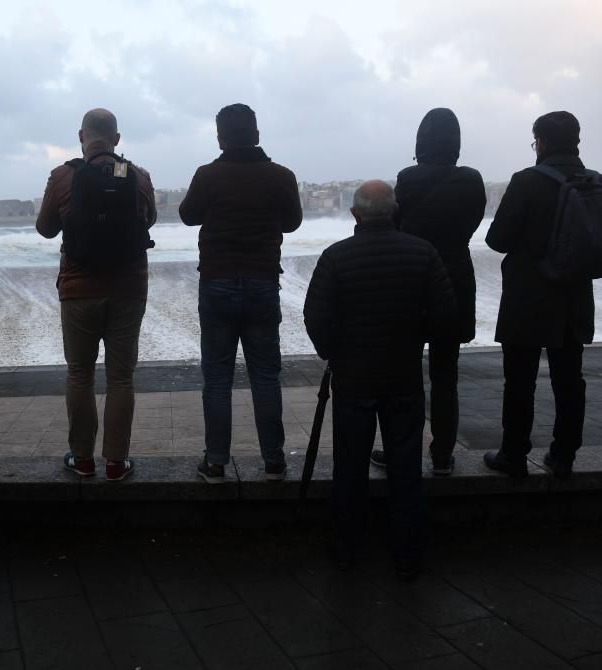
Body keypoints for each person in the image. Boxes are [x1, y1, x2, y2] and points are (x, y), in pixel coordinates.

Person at [304, 180, 455, 580]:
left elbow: (316, 317)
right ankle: (407, 550)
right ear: (395, 211)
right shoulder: (423, 254)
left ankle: (346, 548)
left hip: (353, 378)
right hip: (403, 375)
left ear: (354, 214)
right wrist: (414, 339)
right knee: (405, 466)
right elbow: (444, 316)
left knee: (349, 467)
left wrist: (333, 352)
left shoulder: (336, 257)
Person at [484, 111, 602, 479]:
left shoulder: (527, 181)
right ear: (576, 140)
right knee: (570, 378)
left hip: (528, 297)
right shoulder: (597, 182)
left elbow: (497, 240)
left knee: (520, 379)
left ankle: (513, 454)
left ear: (540, 142)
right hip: (574, 295)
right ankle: (563, 454)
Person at [178, 103, 302, 484]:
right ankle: (274, 462)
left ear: (220, 138)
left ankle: (215, 462)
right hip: (263, 281)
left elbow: (187, 215)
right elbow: (294, 221)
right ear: (257, 134)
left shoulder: (208, 175)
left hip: (216, 282)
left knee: (217, 378)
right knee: (265, 375)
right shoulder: (281, 176)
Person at [36, 108, 156, 482]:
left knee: (80, 375)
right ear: (116, 139)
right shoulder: (137, 176)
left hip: (78, 290)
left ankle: (84, 460)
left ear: (81, 137)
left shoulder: (63, 176)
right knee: (121, 378)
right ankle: (116, 463)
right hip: (127, 288)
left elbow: (45, 229)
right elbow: (149, 221)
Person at [371, 108, 486, 476]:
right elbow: (473, 221)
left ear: (421, 143)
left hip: (414, 280)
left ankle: (401, 450)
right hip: (455, 279)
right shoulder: (472, 180)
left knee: (405, 376)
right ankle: (442, 456)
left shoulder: (409, 178)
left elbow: (398, 223)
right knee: (445, 375)